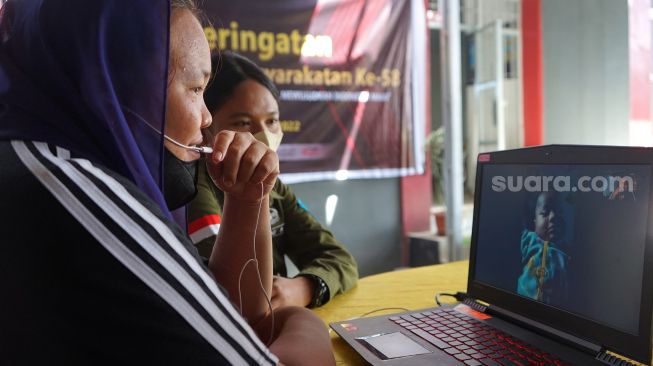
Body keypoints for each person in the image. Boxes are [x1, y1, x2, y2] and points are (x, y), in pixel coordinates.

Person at [0, 1, 334, 365]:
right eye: (195, 89)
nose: (206, 119)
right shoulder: (76, 190)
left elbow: (229, 321)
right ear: (117, 88)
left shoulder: (30, 161)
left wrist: (246, 199)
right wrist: (302, 322)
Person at [188, 51, 358, 309]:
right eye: (244, 122)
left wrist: (307, 286)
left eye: (272, 121)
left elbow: (339, 258)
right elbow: (234, 291)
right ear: (208, 127)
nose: (264, 135)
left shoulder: (273, 186)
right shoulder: (194, 192)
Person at [517, 192, 569, 304]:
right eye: (545, 213)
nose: (553, 217)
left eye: (559, 212)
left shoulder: (566, 253)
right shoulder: (528, 240)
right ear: (534, 220)